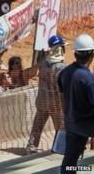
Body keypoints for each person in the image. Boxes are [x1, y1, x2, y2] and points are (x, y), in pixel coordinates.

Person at [58, 34, 94, 174]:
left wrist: (66, 118)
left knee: (69, 160)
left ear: (75, 54)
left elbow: (62, 99)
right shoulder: (89, 79)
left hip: (72, 124)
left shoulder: (64, 73)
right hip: (88, 125)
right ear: (92, 54)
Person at [26, 35, 66, 153]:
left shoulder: (44, 64)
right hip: (55, 103)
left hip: (42, 101)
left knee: (37, 126)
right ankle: (57, 147)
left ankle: (31, 147)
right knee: (60, 128)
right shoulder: (61, 68)